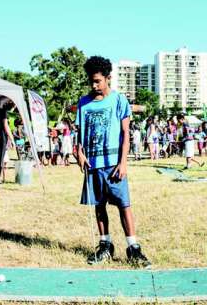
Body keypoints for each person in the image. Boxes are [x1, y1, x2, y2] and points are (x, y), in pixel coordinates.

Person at [76, 56, 150, 267]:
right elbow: (79, 134)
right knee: (99, 206)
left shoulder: (119, 100)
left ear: (108, 78)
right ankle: (105, 245)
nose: (94, 85)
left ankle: (133, 247)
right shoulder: (83, 103)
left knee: (123, 205)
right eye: (91, 81)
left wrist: (123, 162)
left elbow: (126, 133)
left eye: (98, 81)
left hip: (114, 164)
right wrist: (80, 153)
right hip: (93, 165)